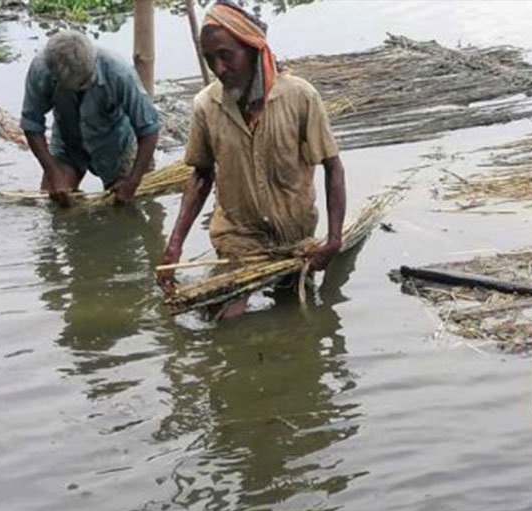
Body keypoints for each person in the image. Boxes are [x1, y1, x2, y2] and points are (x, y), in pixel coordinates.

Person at [158, 0, 346, 318]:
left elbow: (333, 168)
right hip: (237, 235)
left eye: (226, 56)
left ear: (253, 48)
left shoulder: (300, 97)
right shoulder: (206, 106)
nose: (218, 69)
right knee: (226, 317)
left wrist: (334, 240)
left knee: (296, 314)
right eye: (209, 59)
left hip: (294, 238)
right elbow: (201, 177)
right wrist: (174, 244)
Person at [20, 30, 160, 206]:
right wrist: (52, 171)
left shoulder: (118, 72)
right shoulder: (42, 69)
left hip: (116, 145)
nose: (82, 88)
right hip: (68, 141)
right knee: (55, 200)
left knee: (126, 209)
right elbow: (32, 125)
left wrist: (133, 180)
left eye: (86, 83)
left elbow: (149, 130)